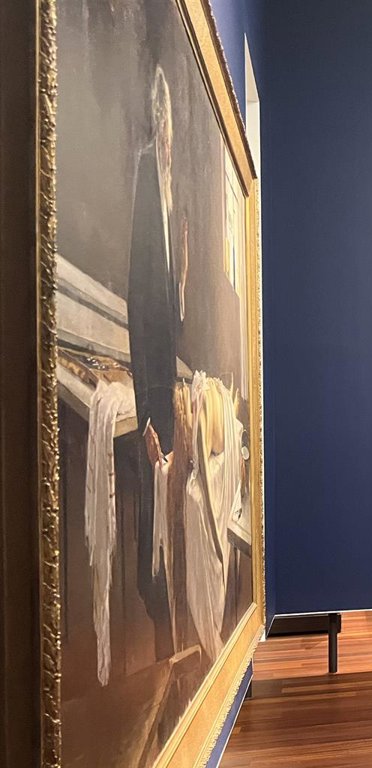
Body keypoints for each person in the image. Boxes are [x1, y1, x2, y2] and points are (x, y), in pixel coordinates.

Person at [129, 65, 190, 662]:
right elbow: (139, 302)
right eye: (163, 124)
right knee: (153, 510)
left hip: (166, 381)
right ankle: (157, 627)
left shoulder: (171, 191)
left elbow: (166, 304)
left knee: (170, 509)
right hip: (152, 388)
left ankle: (167, 626)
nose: (168, 137)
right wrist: (147, 410)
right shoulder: (149, 177)